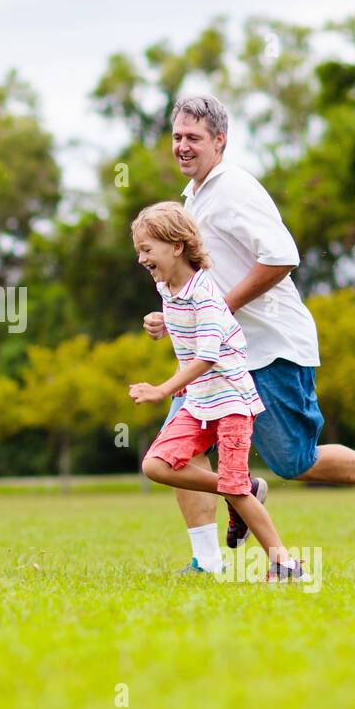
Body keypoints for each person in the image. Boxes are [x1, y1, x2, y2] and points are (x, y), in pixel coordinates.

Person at [143, 95, 355, 573]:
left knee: (293, 461)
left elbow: (282, 257)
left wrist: (221, 309)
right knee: (173, 452)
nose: (182, 146)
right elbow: (200, 280)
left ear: (220, 141)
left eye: (193, 138)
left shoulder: (234, 189)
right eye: (177, 136)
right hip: (213, 357)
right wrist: (174, 314)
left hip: (271, 348)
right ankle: (207, 562)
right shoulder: (195, 196)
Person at [130, 201, 305, 580]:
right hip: (199, 400)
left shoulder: (205, 294)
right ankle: (244, 487)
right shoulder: (167, 287)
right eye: (139, 251)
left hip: (230, 401)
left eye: (147, 249)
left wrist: (163, 389)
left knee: (232, 485)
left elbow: (208, 356)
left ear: (176, 246)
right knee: (155, 465)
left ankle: (286, 565)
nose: (141, 258)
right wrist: (164, 323)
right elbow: (189, 332)